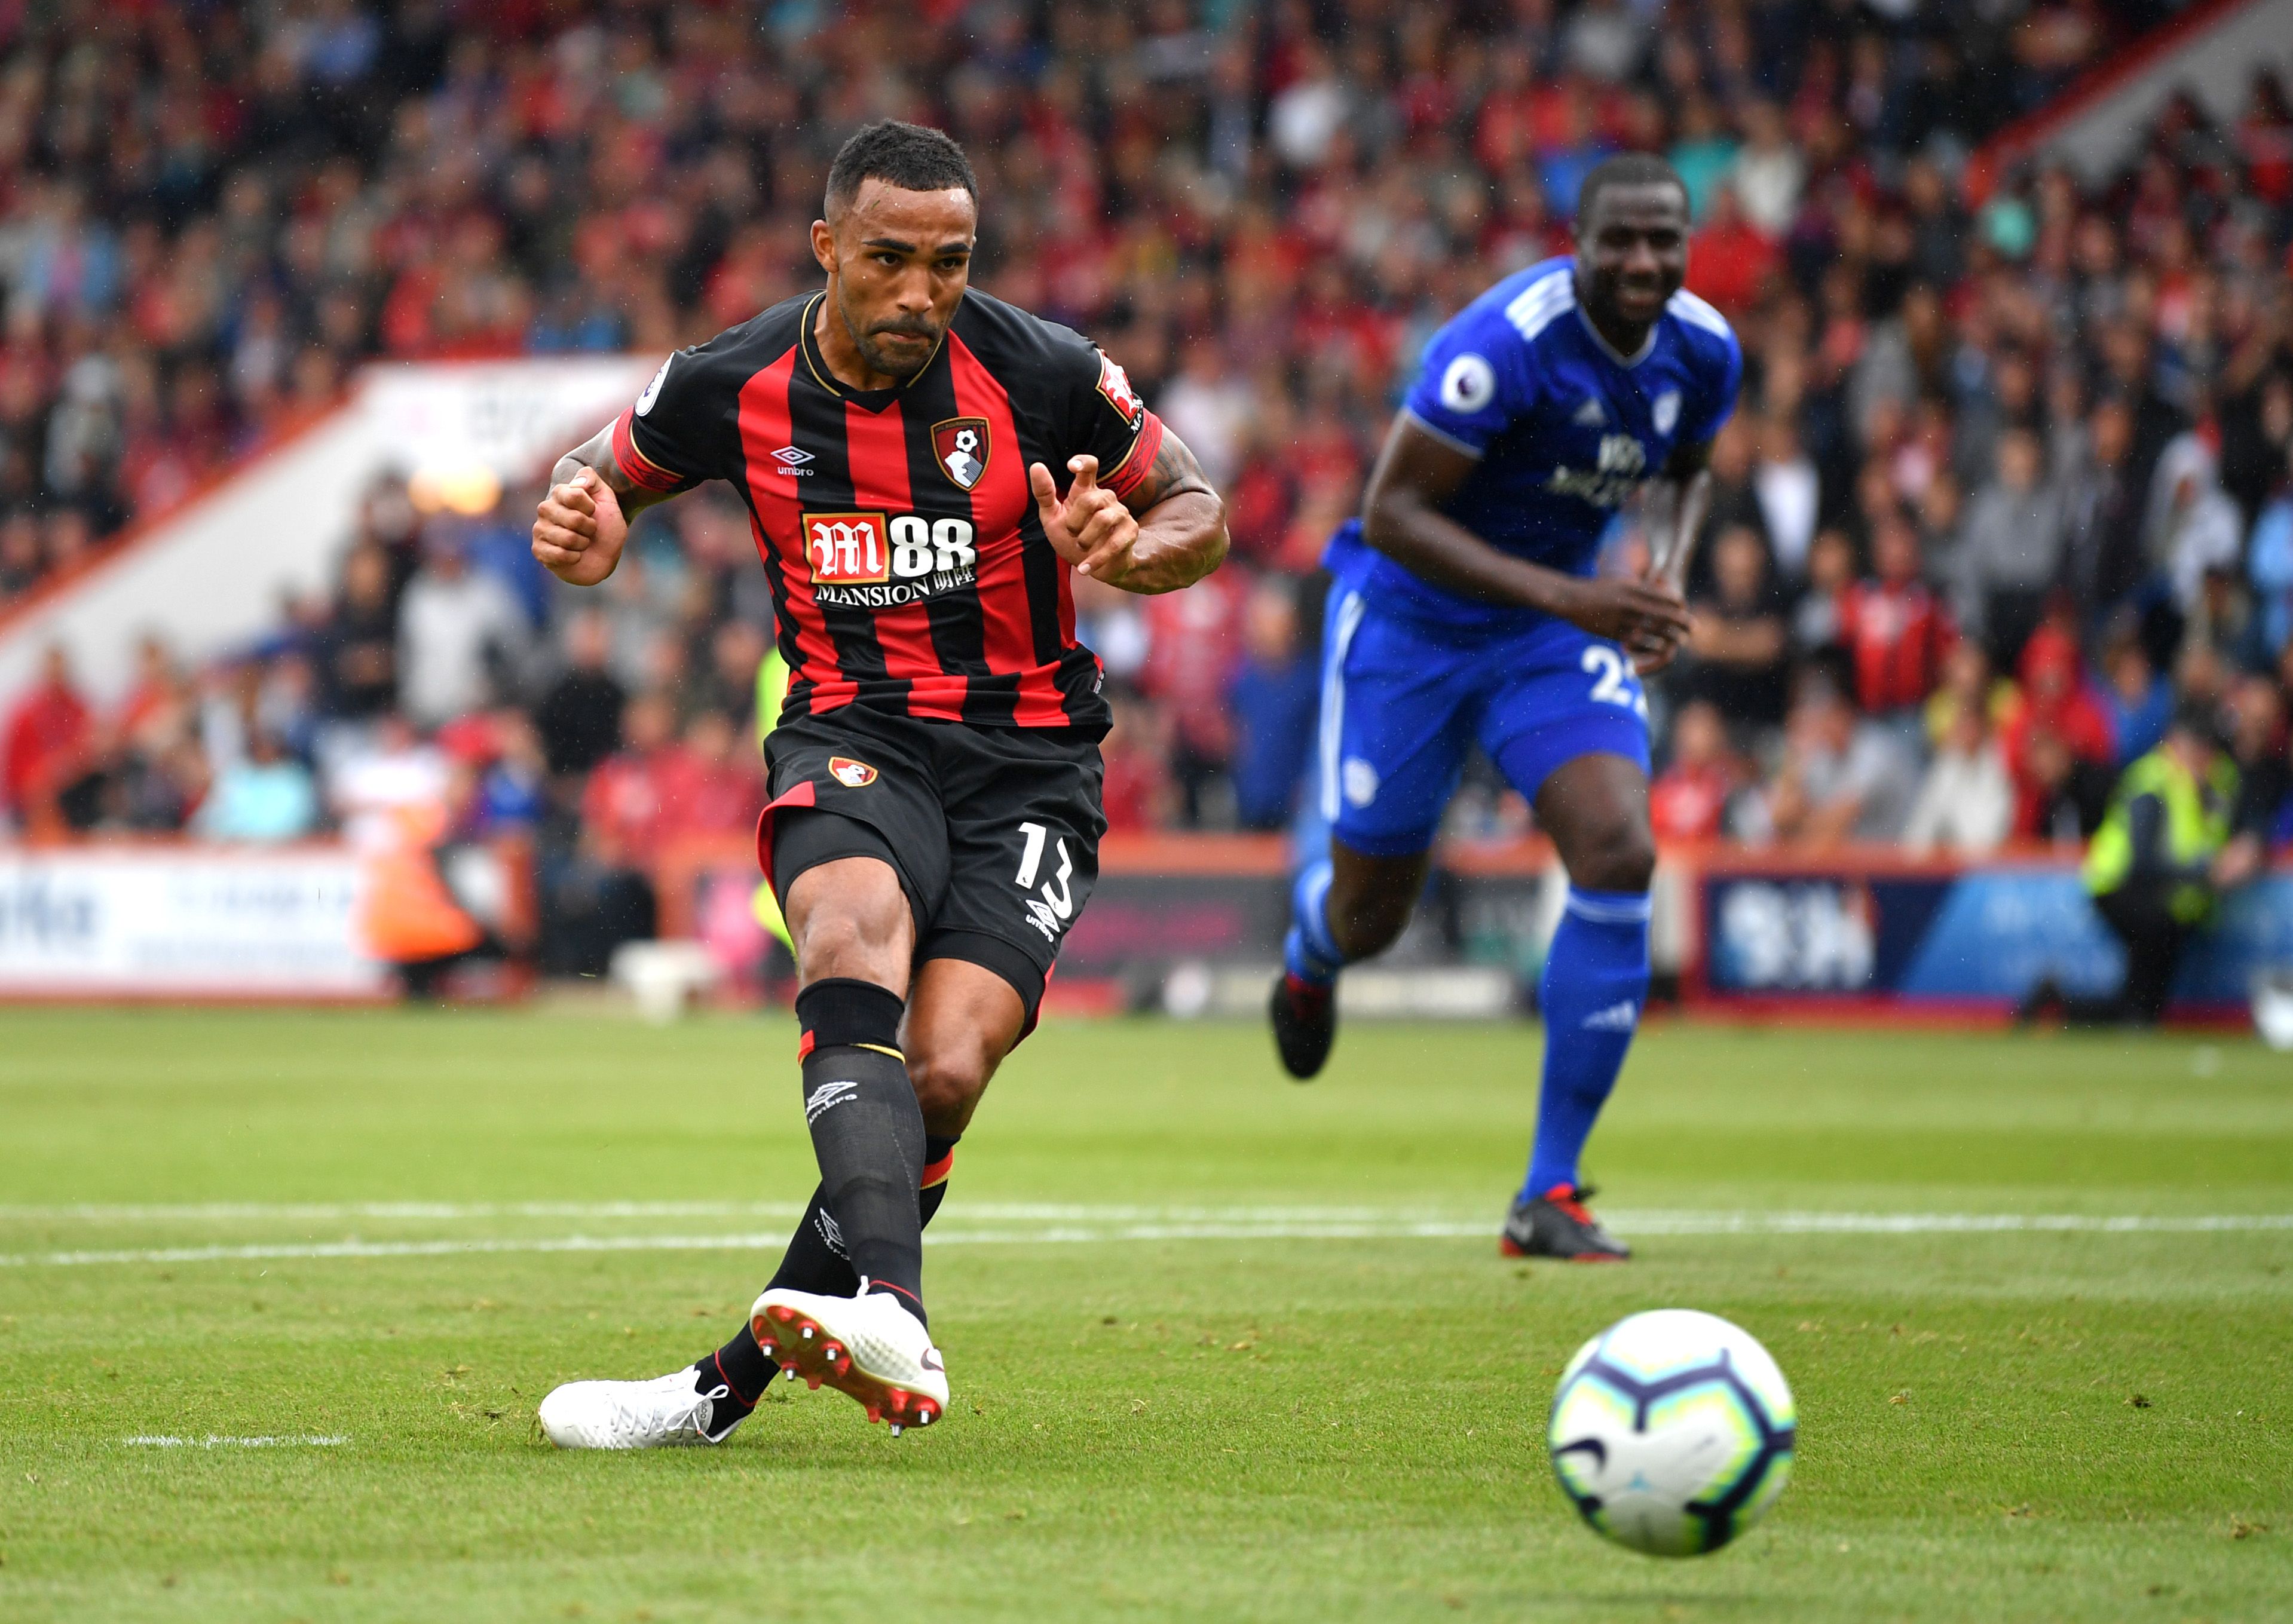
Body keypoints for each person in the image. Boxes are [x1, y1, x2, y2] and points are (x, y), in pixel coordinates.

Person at [526, 122, 1226, 1448]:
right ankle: (896, 1309)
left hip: (1031, 762)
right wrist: (583, 523)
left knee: (944, 1070)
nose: (920, 291)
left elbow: (1197, 505)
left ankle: (721, 1388)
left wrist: (1139, 554)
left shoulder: (1041, 369)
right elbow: (591, 475)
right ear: (827, 247)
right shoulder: (732, 379)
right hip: (854, 730)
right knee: (848, 936)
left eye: (948, 263)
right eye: (889, 259)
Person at [1268, 154, 1737, 1261]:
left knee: (1619, 849)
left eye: (1663, 241)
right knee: (1372, 914)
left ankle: (1548, 1192)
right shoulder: (1503, 345)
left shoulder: (1704, 348)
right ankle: (1313, 952)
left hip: (1547, 636)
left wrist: (1664, 575)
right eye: (1620, 240)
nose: (1643, 262)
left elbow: (1688, 468)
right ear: (1577, 244)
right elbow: (1392, 513)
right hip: (1410, 627)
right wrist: (1580, 597)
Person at [2025, 704, 2255, 1025]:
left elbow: (2251, 814)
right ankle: (2065, 1007)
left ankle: (2059, 1006)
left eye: (2209, 749)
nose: (2205, 758)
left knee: (2142, 1005)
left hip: (2167, 900)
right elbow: (2143, 863)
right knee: (2154, 958)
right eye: (2198, 747)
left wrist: (2250, 845)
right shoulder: (2151, 780)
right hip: (2119, 887)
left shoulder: (2221, 780)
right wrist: (2207, 872)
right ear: (2176, 744)